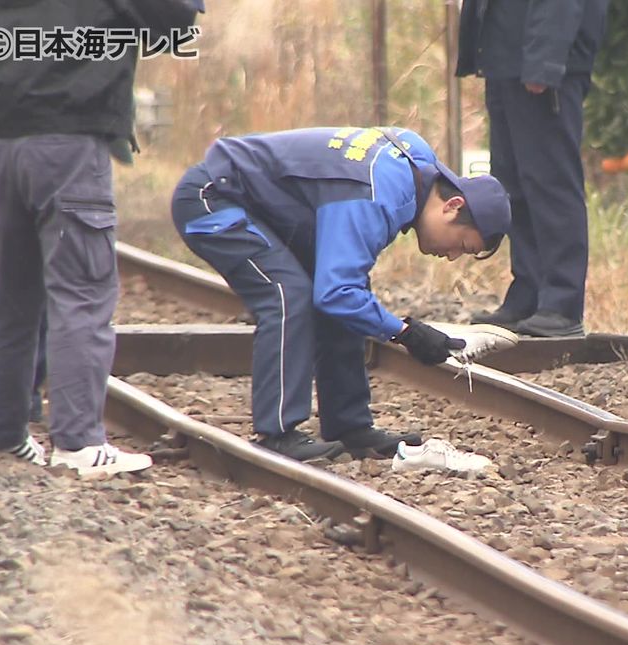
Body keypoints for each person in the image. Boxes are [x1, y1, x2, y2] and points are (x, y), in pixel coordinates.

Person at [170, 126, 509, 472]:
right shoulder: (375, 193)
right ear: (453, 206)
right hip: (214, 198)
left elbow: (344, 291)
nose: (452, 256)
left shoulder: (414, 163)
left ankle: (350, 428)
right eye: (462, 245)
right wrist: (405, 333)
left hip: (265, 210)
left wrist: (393, 325)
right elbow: (336, 293)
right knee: (289, 294)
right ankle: (277, 435)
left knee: (346, 297)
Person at [0, 0, 202, 476]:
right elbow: (177, 18)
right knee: (82, 292)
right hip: (69, 140)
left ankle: (1, 434)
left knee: (10, 295)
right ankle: (79, 442)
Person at [457, 0, 610, 337]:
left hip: (541, 59)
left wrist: (544, 60)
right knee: (511, 183)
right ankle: (528, 290)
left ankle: (561, 303)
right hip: (505, 56)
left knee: (550, 182)